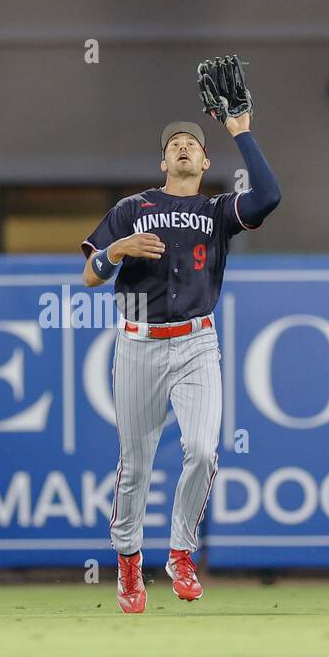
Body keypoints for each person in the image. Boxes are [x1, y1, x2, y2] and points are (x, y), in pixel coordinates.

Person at [81, 112, 280, 613]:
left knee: (203, 448)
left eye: (193, 143)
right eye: (175, 144)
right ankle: (128, 561)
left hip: (196, 342)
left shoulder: (216, 212)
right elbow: (90, 275)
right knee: (136, 466)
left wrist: (241, 132)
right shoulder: (133, 207)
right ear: (163, 160)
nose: (184, 148)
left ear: (207, 159)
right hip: (139, 343)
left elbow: (269, 196)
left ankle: (181, 552)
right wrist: (117, 249)